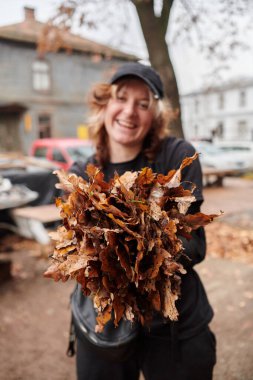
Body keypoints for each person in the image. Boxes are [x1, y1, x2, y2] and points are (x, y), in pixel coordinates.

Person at [69, 62, 216, 380]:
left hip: (173, 327)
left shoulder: (176, 157)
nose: (130, 111)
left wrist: (134, 242)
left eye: (143, 103)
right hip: (104, 327)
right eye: (121, 98)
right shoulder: (83, 174)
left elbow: (195, 245)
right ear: (104, 104)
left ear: (156, 116)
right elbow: (76, 250)